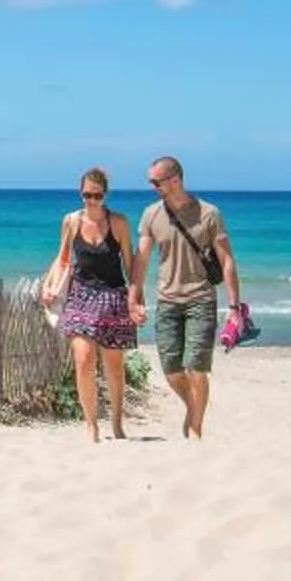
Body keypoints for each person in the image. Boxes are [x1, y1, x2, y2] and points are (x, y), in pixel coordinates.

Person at [137, 155, 243, 440]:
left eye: (156, 182)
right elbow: (142, 259)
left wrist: (234, 307)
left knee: (197, 368)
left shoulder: (209, 214)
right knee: (172, 370)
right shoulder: (150, 215)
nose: (152, 187)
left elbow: (227, 260)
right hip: (167, 301)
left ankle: (195, 429)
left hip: (201, 300)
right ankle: (192, 408)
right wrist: (134, 295)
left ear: (175, 180)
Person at [43, 166, 143, 442]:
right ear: (80, 193)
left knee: (113, 364)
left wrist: (136, 302)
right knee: (84, 358)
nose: (91, 201)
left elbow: (131, 265)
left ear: (105, 195)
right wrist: (48, 287)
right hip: (80, 295)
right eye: (87, 195)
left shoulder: (119, 223)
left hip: (113, 297)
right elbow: (62, 259)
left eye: (97, 196)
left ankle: (117, 423)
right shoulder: (71, 221)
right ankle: (91, 425)